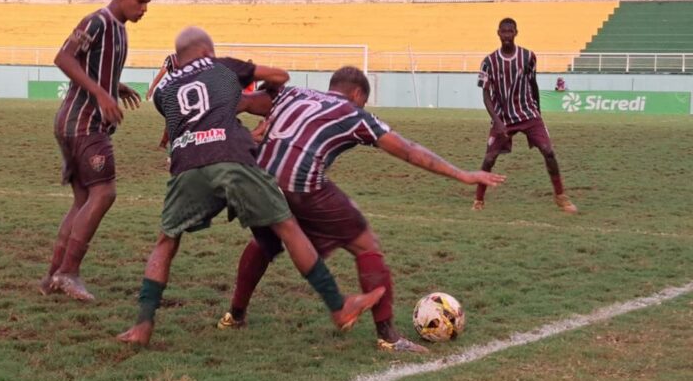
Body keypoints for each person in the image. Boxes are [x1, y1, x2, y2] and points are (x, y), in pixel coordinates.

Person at [117, 28, 384, 347]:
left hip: (186, 164)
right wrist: (261, 85)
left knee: (166, 241)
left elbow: (195, 120)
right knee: (287, 227)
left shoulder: (165, 90)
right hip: (231, 160)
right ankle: (339, 308)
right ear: (205, 51)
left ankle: (142, 326)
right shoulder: (221, 65)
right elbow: (280, 75)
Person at [216, 66, 507, 353]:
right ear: (357, 93)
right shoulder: (354, 112)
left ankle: (235, 316)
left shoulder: (291, 94)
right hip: (301, 183)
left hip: (255, 181)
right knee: (366, 245)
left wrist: (236, 135)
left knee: (264, 240)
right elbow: (407, 149)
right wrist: (463, 175)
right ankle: (389, 337)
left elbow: (240, 102)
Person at [39, 0, 153, 301]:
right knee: (104, 194)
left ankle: (52, 278)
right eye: (140, 1)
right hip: (83, 122)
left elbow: (91, 68)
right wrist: (102, 95)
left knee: (83, 200)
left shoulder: (121, 31)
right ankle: (68, 273)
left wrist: (114, 86)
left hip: (80, 122)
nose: (144, 9)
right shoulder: (97, 21)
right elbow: (63, 58)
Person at [473, 18, 577, 214]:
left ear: (516, 33)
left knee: (548, 151)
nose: (506, 35)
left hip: (528, 114)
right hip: (503, 118)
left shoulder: (528, 57)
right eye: (503, 32)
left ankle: (560, 196)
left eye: (510, 31)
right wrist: (497, 121)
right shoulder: (488, 62)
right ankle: (479, 199)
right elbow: (486, 95)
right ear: (498, 33)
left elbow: (533, 84)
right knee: (489, 159)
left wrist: (538, 111)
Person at [146, 53, 180, 151]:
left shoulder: (171, 58)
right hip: (174, 93)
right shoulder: (194, 59)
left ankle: (164, 143)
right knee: (175, 118)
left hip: (162, 92)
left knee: (172, 118)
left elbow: (162, 72)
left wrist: (152, 88)